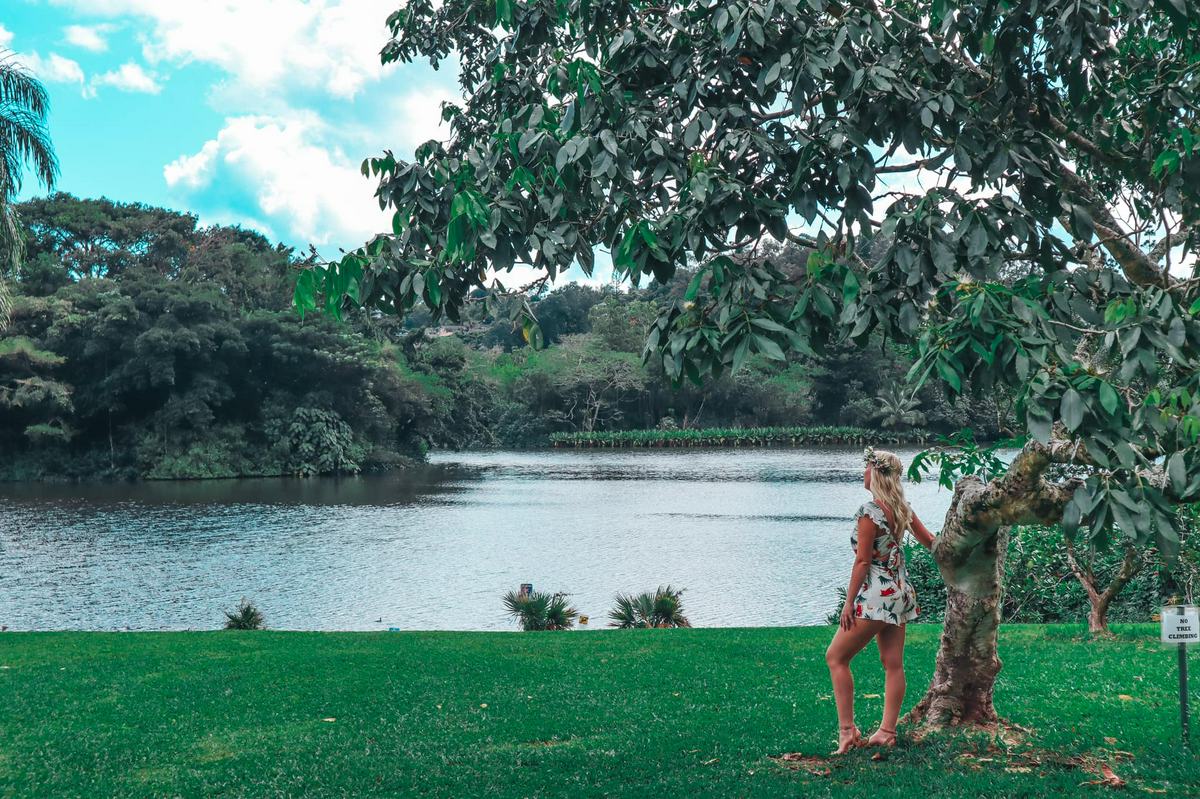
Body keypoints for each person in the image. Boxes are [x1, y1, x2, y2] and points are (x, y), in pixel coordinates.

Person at [825, 447, 936, 754]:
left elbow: (862, 563)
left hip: (876, 596)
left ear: (874, 474)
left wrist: (848, 603)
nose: (863, 473)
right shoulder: (902, 508)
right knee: (893, 664)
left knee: (836, 657)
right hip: (899, 593)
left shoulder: (869, 512)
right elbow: (930, 542)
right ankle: (886, 731)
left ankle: (848, 732)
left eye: (866, 468)